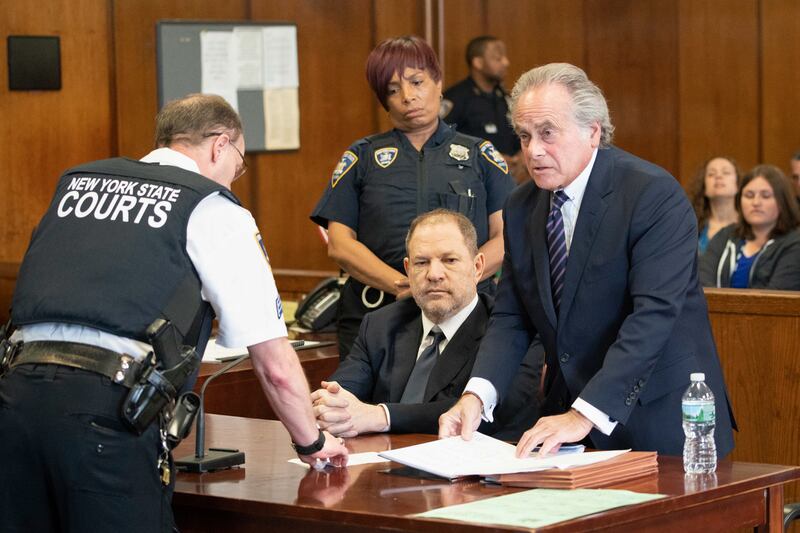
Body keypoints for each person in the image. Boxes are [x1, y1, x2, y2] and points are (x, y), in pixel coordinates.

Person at [0, 94, 347, 532]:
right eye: (238, 167)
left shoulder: (76, 183)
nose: (233, 181)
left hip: (14, 402)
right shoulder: (210, 205)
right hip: (104, 414)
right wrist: (311, 442)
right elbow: (275, 363)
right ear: (221, 145)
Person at [438, 63, 736, 459]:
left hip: (657, 421)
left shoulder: (652, 194)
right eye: (524, 136)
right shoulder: (521, 206)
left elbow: (654, 315)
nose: (533, 150)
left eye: (547, 133)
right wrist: (477, 395)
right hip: (566, 424)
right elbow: (512, 316)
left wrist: (585, 414)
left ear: (593, 131)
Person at [311, 36, 514, 358]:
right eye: (393, 90)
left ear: (438, 83)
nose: (408, 96)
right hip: (376, 314)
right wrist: (402, 285)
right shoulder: (363, 156)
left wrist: (453, 283)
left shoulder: (480, 155)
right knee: (365, 406)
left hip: (467, 316)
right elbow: (339, 243)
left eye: (417, 82)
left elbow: (506, 237)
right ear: (384, 101)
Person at [311, 209, 540, 437]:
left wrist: (383, 416)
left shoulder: (510, 331)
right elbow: (341, 389)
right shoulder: (380, 324)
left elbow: (493, 413)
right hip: (381, 463)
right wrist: (331, 403)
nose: (434, 274)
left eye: (449, 260)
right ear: (408, 270)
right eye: (422, 262)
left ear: (477, 267)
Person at [699, 164, 800, 290]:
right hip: (713, 309)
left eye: (765, 196)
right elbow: (703, 281)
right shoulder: (725, 235)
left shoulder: (795, 243)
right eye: (749, 195)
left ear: (782, 202)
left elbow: (776, 298)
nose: (756, 203)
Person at [441, 36, 523, 180]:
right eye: (498, 59)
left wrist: (520, 157)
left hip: (509, 180)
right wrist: (487, 158)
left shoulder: (505, 98)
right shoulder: (456, 98)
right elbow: (440, 142)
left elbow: (519, 134)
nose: (506, 62)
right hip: (471, 180)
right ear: (478, 63)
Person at [690, 156, 740, 254]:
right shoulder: (693, 225)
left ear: (738, 184)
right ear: (703, 186)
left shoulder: (750, 225)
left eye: (726, 172)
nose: (718, 177)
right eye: (711, 174)